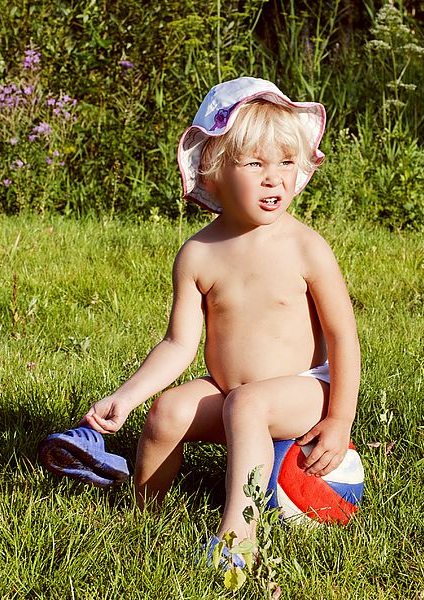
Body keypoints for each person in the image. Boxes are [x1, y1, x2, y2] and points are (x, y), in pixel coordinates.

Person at [79, 76, 361, 565]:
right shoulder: (198, 254)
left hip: (304, 391)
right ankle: (144, 520)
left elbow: (343, 336)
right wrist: (126, 397)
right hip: (230, 393)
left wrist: (340, 418)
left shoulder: (306, 247)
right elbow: (178, 345)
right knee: (166, 413)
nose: (275, 177)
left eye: (286, 163)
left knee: (248, 405)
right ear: (211, 172)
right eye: (255, 164)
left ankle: (238, 538)